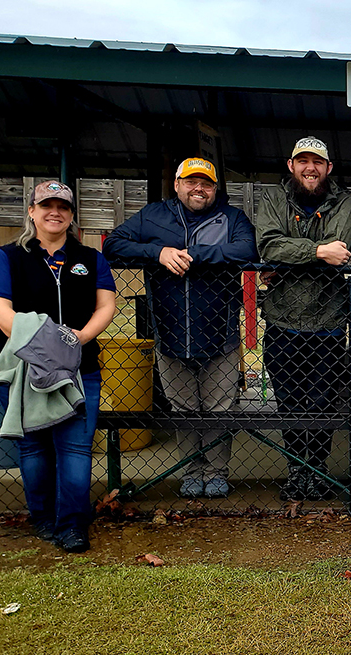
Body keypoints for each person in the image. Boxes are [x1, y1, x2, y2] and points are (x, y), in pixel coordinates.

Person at [104, 157, 258, 500]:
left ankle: (215, 473)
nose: (198, 189)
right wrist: (158, 252)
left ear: (215, 188)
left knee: (219, 409)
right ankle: (191, 470)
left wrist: (195, 255)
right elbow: (113, 244)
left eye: (206, 183)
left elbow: (247, 249)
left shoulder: (231, 217)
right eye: (191, 182)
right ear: (177, 185)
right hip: (169, 332)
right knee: (184, 410)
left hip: (220, 334)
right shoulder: (153, 215)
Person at [0, 181, 116, 552]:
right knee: (34, 449)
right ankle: (42, 518)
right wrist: (46, 344)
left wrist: (79, 338)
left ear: (71, 215)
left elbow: (106, 305)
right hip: (21, 369)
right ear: (32, 211)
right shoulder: (7, 256)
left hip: (79, 368)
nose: (55, 212)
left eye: (63, 206)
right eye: (46, 205)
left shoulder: (91, 258)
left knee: (75, 449)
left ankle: (72, 525)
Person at [255, 136, 351, 502]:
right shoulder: (273, 198)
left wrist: (290, 259)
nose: (310, 168)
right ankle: (297, 470)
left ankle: (317, 469)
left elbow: (339, 249)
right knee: (289, 402)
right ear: (291, 165)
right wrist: (318, 251)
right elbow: (269, 245)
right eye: (303, 161)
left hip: (328, 322)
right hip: (282, 321)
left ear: (328, 168)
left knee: (322, 402)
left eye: (317, 162)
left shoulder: (344, 202)